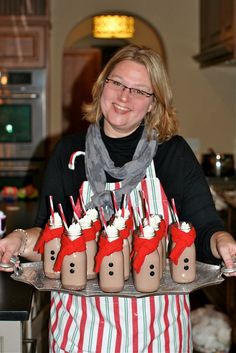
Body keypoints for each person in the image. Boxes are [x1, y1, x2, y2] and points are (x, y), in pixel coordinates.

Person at [0, 44, 236, 353]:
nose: (124, 97)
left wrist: (221, 241)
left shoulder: (171, 153)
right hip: (81, 333)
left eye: (140, 91)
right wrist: (18, 240)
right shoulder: (70, 154)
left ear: (154, 103)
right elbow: (49, 235)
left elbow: (203, 228)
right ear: (102, 87)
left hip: (159, 334)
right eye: (117, 83)